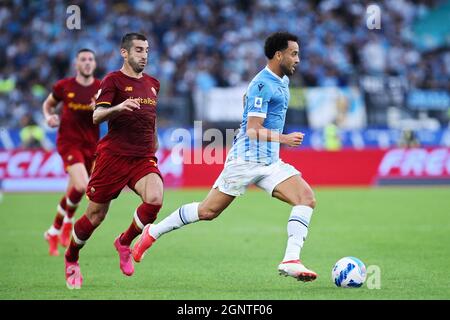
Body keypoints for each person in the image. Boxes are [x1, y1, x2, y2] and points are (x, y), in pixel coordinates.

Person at [133, 31, 318, 282]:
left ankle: (290, 260)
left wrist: (250, 104)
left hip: (270, 163)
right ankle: (152, 232)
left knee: (306, 198)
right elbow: (253, 129)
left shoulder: (281, 81)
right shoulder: (262, 84)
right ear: (278, 55)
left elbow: (251, 104)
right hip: (244, 161)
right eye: (294, 53)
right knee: (208, 211)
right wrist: (284, 139)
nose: (298, 59)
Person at [64, 33, 163, 289]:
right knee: (95, 217)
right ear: (125, 53)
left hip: (142, 156)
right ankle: (71, 257)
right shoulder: (113, 80)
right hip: (113, 157)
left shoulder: (153, 83)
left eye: (147, 50)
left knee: (154, 199)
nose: (144, 55)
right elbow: (97, 116)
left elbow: (151, 116)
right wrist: (118, 108)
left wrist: (155, 140)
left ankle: (124, 241)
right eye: (139, 50)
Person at [42, 49, 101, 256]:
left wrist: (99, 109)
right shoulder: (64, 86)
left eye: (90, 59)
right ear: (76, 64)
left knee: (73, 192)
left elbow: (107, 116)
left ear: (94, 64)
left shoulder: (101, 89)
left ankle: (53, 231)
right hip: (69, 143)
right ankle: (68, 223)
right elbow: (48, 105)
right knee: (81, 186)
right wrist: (49, 117)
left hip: (91, 146)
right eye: (83, 59)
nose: (87, 63)